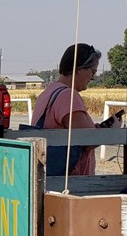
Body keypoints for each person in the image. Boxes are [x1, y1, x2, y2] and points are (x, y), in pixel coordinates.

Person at [31, 43, 121, 175]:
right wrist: (111, 132)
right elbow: (86, 141)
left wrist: (95, 129)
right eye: (93, 71)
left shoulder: (49, 91)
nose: (93, 77)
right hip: (70, 181)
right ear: (79, 68)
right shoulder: (69, 96)